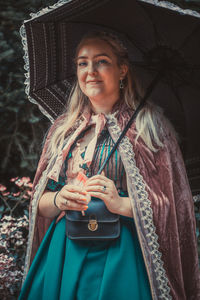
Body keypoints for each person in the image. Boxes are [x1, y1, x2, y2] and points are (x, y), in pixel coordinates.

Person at [19, 31, 200, 300]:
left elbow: (174, 206)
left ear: (122, 70)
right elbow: (40, 202)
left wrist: (121, 203)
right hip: (65, 251)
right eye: (82, 63)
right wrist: (59, 198)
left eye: (101, 61)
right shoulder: (64, 129)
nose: (90, 71)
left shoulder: (149, 128)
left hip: (124, 256)